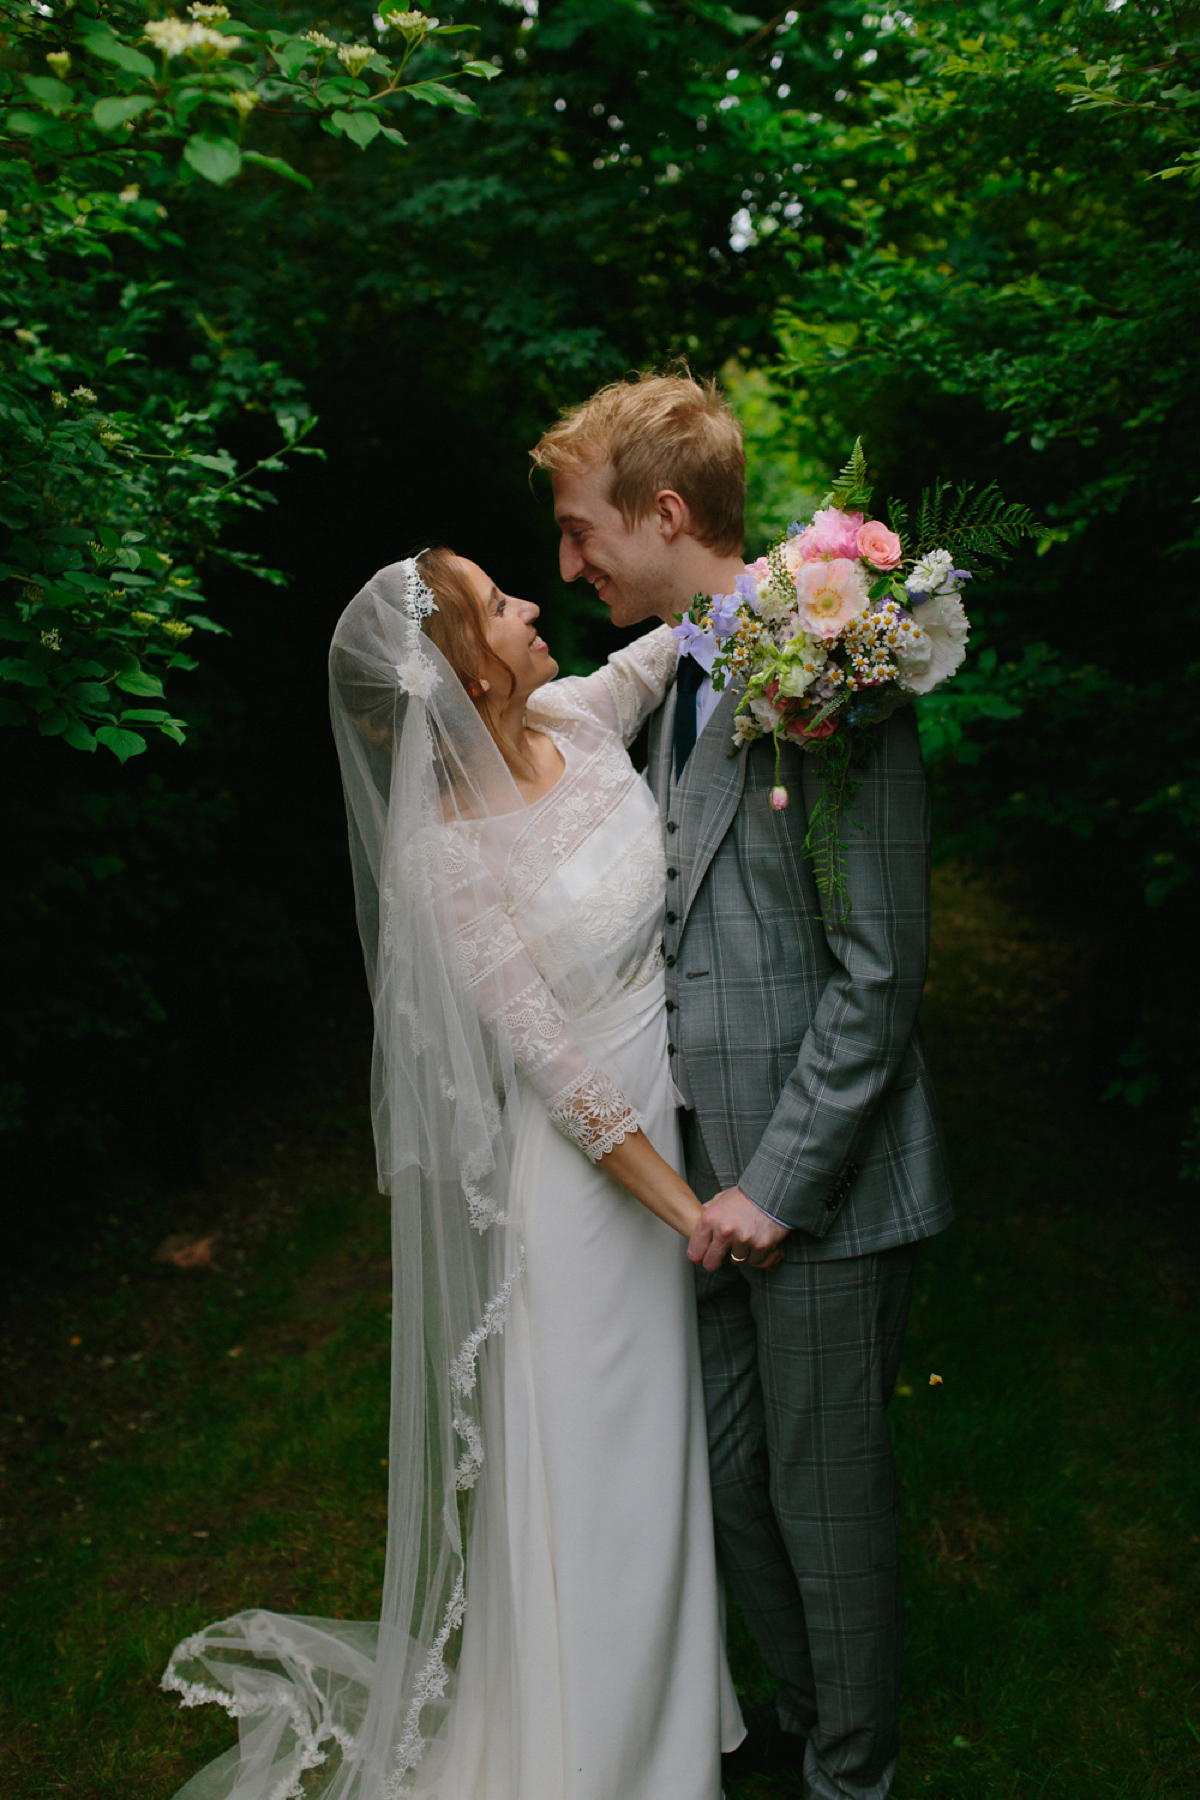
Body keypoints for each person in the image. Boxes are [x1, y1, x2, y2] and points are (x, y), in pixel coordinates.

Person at [158, 546, 746, 1799]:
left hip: (672, 1136)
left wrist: (825, 577)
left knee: (666, 1469)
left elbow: (686, 626)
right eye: (499, 603)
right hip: (592, 1200)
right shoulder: (443, 863)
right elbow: (558, 1076)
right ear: (466, 670)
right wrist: (693, 1211)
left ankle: (669, 1741)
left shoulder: (581, 720)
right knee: (600, 1481)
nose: (534, 605)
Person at [532, 372, 955, 1800]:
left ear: (662, 513)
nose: (568, 561)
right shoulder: (674, 679)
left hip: (815, 1186)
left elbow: (878, 967)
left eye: (583, 530)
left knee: (824, 1509)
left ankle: (852, 1774)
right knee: (729, 1486)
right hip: (695, 1187)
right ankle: (798, 1721)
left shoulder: (841, 664)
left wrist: (778, 1183)